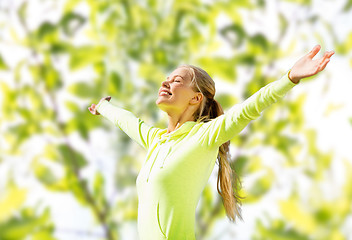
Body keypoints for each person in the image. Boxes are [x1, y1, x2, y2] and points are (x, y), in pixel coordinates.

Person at [88, 45, 334, 240]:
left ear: (196, 98)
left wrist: (289, 78)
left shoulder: (205, 136)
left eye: (177, 80)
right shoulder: (156, 141)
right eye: (167, 78)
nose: (166, 82)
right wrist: (103, 106)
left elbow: (250, 108)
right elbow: (127, 120)